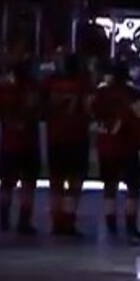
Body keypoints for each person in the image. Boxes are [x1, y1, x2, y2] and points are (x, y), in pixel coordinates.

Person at [92, 61, 140, 243]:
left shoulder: (100, 94)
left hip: (105, 147)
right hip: (127, 147)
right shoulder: (133, 94)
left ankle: (111, 227)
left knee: (109, 188)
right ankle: (131, 228)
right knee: (133, 188)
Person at [45, 55, 90, 236]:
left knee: (56, 182)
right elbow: (88, 109)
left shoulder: (51, 83)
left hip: (56, 137)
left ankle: (57, 220)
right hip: (76, 137)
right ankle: (69, 219)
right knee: (75, 182)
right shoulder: (82, 85)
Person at [0, 60, 41, 234]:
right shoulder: (33, 91)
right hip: (28, 143)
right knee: (28, 184)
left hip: (9, 142)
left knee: (7, 183)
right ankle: (24, 220)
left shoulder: (5, 91)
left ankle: (4, 219)